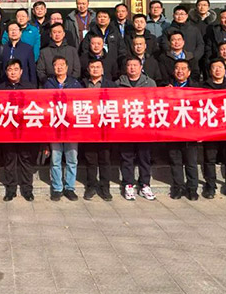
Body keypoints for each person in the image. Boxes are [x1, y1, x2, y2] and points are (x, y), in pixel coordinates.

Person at [201, 59, 226, 200]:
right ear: (210, 71)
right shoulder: (202, 87)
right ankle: (210, 186)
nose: (217, 70)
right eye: (214, 67)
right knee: (209, 159)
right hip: (210, 129)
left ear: (225, 70)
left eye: (220, 67)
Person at [117, 57, 157, 202]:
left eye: (135, 65)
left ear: (141, 67)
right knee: (126, 157)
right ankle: (128, 184)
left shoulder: (150, 83)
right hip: (126, 127)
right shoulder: (118, 84)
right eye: (129, 65)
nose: (132, 68)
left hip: (144, 127)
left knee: (144, 157)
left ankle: (145, 184)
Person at [43, 56, 83, 201]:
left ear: (67, 67)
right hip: (54, 126)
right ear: (53, 67)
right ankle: (57, 188)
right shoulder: (48, 84)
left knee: (72, 159)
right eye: (56, 65)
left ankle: (70, 187)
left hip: (71, 127)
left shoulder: (75, 84)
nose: (59, 67)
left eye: (62, 65)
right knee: (56, 158)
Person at [0, 59, 36, 201]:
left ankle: (27, 189)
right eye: (10, 70)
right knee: (9, 160)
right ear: (6, 72)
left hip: (25, 131)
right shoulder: (0, 88)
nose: (13, 72)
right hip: (7, 130)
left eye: (15, 69)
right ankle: (11, 189)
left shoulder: (30, 87)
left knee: (26, 160)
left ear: (21, 71)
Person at [165, 60, 201, 201]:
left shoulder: (196, 88)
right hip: (173, 131)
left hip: (191, 131)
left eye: (183, 68)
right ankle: (178, 187)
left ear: (189, 72)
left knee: (191, 162)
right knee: (175, 161)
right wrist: (165, 93)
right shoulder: (167, 87)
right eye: (177, 68)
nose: (180, 71)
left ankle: (192, 189)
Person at [81, 59, 116, 201]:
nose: (95, 69)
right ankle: (91, 186)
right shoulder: (82, 85)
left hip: (105, 127)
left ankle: (105, 187)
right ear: (88, 69)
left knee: (105, 159)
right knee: (90, 159)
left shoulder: (111, 85)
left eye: (98, 67)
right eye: (92, 67)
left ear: (102, 70)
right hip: (88, 127)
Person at [0, 22, 36, 86]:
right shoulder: (2, 49)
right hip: (5, 86)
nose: (13, 32)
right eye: (11, 30)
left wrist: (33, 86)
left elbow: (32, 71)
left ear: (20, 32)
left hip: (24, 86)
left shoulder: (28, 49)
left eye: (16, 29)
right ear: (7, 33)